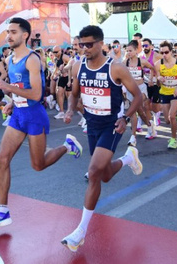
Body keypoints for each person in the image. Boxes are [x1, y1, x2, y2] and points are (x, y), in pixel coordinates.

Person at [0, 18, 82, 230]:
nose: (9, 36)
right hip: (19, 116)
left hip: (35, 117)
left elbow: (36, 94)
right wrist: (12, 103)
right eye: (8, 32)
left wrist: (8, 87)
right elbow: (19, 88)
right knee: (2, 159)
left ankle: (67, 146)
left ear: (25, 35)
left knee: (38, 165)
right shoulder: (10, 59)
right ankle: (2, 210)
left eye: (13, 32)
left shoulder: (32, 59)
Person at [60, 25, 144, 252]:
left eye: (89, 44)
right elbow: (74, 93)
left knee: (94, 172)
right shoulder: (78, 66)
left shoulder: (115, 68)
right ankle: (128, 159)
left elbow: (138, 96)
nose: (84, 49)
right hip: (92, 124)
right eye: (81, 44)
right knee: (105, 174)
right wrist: (70, 109)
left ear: (100, 44)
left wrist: (125, 118)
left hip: (112, 125)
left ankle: (80, 231)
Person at [124, 39, 157, 145]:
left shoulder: (141, 61)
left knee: (141, 108)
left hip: (141, 88)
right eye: (127, 51)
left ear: (136, 51)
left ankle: (148, 127)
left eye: (130, 51)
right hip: (130, 89)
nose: (129, 53)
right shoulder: (126, 62)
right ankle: (135, 135)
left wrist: (151, 79)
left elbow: (152, 68)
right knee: (136, 111)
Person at [156, 40, 177, 149]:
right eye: (162, 53)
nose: (164, 55)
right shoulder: (158, 64)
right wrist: (158, 79)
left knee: (171, 116)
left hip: (175, 93)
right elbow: (157, 81)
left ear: (171, 51)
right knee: (167, 120)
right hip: (164, 93)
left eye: (166, 52)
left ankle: (174, 140)